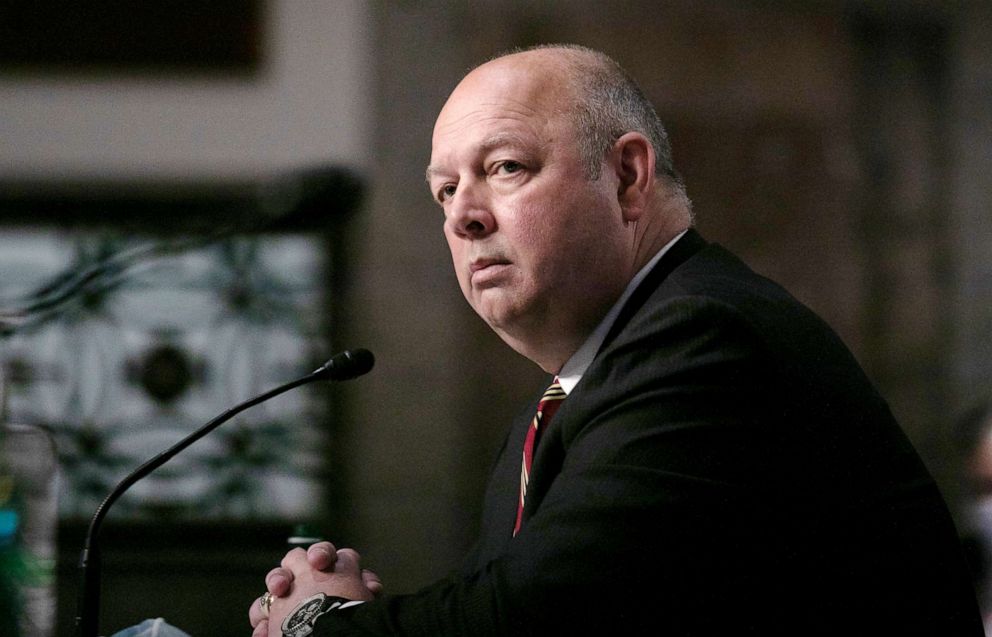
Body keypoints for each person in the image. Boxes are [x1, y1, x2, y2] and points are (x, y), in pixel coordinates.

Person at [248, 44, 983, 635]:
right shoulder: (566, 403)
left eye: (504, 167)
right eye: (445, 190)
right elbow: (502, 597)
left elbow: (535, 618)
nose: (462, 217)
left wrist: (321, 622)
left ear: (628, 176)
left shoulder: (701, 340)